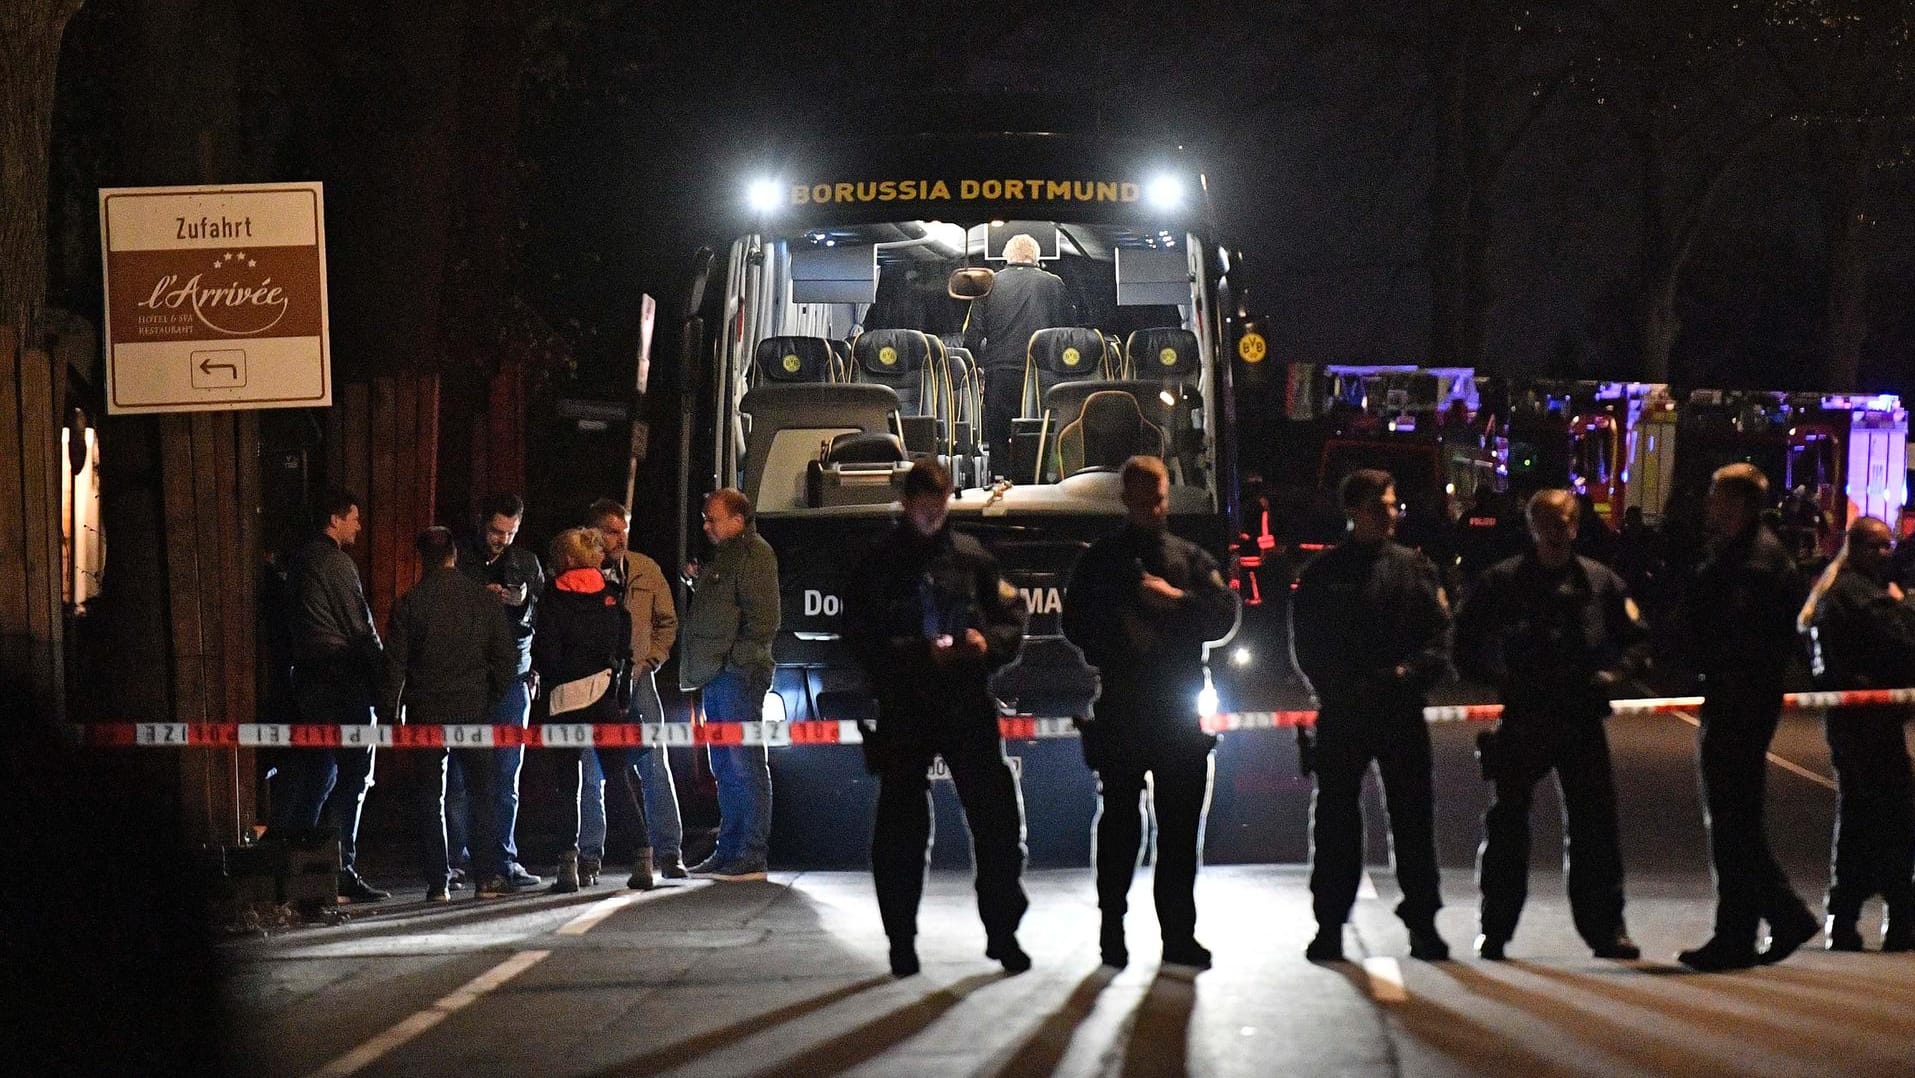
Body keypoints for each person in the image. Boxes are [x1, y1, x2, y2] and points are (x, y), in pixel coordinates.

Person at [846, 460, 1032, 977]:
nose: (931, 510)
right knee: (901, 830)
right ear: (906, 502)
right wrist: (916, 655)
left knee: (996, 821)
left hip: (965, 704)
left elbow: (1011, 618)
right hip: (907, 706)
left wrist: (985, 644)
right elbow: (859, 637)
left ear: (948, 497)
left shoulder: (973, 559)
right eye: (922, 501)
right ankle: (900, 941)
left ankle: (1003, 933)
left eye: (939, 500)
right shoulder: (879, 564)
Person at [1062, 456, 1239, 970]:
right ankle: (1112, 930)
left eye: (1158, 498)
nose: (1152, 509)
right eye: (1143, 500)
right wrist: (1121, 633)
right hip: (1123, 701)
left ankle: (1177, 936)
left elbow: (1225, 616)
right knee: (1120, 825)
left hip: (1176, 706)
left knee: (1179, 832)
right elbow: (1075, 624)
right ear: (1125, 499)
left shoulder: (1188, 557)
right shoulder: (1101, 560)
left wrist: (1176, 602)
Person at [1453, 489, 1645, 960]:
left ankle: (1605, 929)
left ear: (1576, 526)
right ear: (1531, 527)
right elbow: (1463, 645)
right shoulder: (1501, 583)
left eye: (1563, 523)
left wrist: (1613, 675)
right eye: (1546, 523)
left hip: (1581, 716)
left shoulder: (1601, 583)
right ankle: (1495, 927)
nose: (1556, 532)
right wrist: (1500, 679)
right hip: (1525, 717)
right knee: (1507, 826)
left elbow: (1637, 643)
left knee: (1595, 829)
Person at [1289, 469, 1452, 962]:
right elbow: (1307, 647)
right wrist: (1340, 690)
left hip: (1400, 710)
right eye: (1382, 505)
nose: (1392, 514)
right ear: (1355, 511)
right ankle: (1330, 925)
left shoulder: (1415, 570)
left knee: (1413, 822)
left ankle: (1423, 924)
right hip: (1344, 711)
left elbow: (1440, 640)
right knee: (1336, 822)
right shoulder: (1322, 575)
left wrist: (1407, 676)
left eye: (1393, 505)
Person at [1674, 463, 1821, 970]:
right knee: (1737, 821)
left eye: (1716, 495)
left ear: (1737, 503)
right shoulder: (1751, 554)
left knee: (1734, 820)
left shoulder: (1754, 563)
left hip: (1740, 700)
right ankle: (1762, 923)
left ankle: (1759, 924)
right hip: (1742, 697)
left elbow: (1736, 637)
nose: (1709, 504)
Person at [379, 527, 517, 900]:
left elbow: (395, 665)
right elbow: (507, 659)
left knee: (430, 797)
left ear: (422, 558)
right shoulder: (483, 601)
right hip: (474, 709)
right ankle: (486, 877)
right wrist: (490, 696)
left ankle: (438, 881)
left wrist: (390, 714)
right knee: (481, 794)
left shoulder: (409, 604)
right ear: (454, 554)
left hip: (427, 712)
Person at [1798, 516, 1915, 952]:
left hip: (1855, 721)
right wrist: (1906, 604)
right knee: (1891, 818)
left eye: (1889, 546)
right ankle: (1894, 917)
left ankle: (1848, 918)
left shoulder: (1833, 591)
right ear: (1858, 547)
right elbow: (1901, 638)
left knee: (1862, 819)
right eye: (1878, 547)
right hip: (1867, 721)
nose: (1886, 554)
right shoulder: (1855, 594)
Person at [270, 489, 388, 903]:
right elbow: (360, 626)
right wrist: (384, 679)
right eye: (353, 517)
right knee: (353, 776)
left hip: (308, 680)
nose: (358, 525)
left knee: (316, 772)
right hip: (342, 681)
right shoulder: (335, 562)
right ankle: (340, 868)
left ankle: (299, 866)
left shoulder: (300, 561)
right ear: (335, 519)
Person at [533, 527, 657, 893]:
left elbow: (547, 653)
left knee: (567, 785)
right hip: (605, 698)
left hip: (564, 700)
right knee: (618, 778)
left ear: (566, 560)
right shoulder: (610, 597)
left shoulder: (553, 600)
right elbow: (624, 647)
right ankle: (643, 860)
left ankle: (568, 869)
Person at [680, 488, 780, 881]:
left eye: (712, 518)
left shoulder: (755, 554)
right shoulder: (728, 556)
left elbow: (763, 620)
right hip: (718, 675)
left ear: (737, 519)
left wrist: (732, 663)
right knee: (725, 765)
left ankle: (750, 854)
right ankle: (730, 851)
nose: (706, 525)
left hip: (737, 676)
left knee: (744, 764)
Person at [584, 498, 685, 884]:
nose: (620, 536)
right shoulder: (581, 570)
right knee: (590, 770)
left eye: (624, 527)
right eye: (611, 530)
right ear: (594, 533)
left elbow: (667, 621)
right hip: (594, 685)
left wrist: (652, 660)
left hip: (640, 679)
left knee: (654, 764)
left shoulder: (644, 569)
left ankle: (669, 851)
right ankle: (589, 855)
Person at [453, 493, 546, 893]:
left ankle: (504, 858)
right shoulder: (460, 560)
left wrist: (523, 603)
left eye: (510, 532)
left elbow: (547, 617)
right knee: (460, 776)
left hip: (513, 678)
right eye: (495, 530)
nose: (501, 539)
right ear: (481, 524)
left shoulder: (525, 563)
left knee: (507, 775)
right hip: (468, 677)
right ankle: (458, 860)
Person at [961, 232, 1074, 469]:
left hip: (1001, 371)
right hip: (1043, 373)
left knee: (1000, 435)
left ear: (1005, 257)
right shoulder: (1055, 284)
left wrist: (977, 368)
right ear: (1036, 257)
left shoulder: (988, 284)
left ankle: (1001, 481)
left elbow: (972, 335)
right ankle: (1040, 481)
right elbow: (1068, 332)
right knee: (1040, 429)